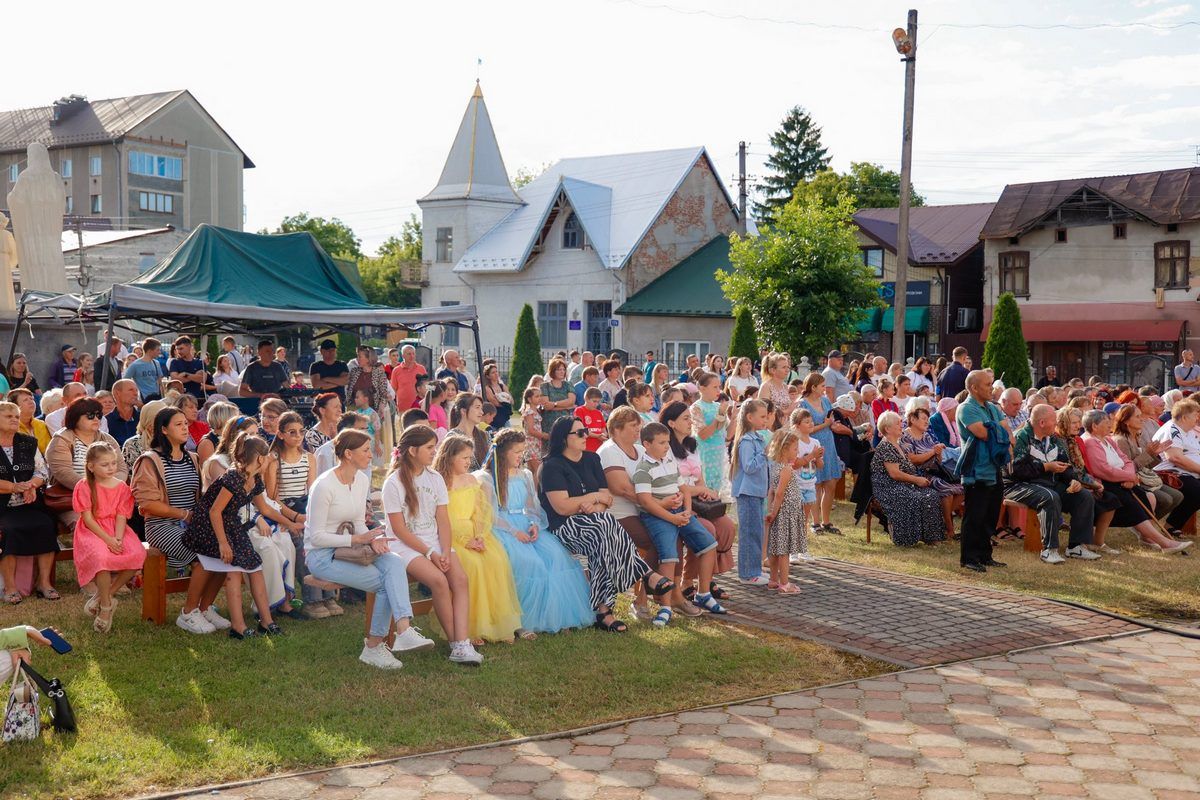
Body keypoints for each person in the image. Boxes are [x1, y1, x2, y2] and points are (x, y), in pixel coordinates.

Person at [307, 429, 436, 669]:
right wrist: (358, 540)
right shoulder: (324, 486)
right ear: (348, 454)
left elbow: (357, 522)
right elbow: (315, 538)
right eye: (365, 450)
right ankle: (375, 647)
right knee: (386, 582)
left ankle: (404, 630)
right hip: (322, 556)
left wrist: (373, 540)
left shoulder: (362, 479)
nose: (371, 454)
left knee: (394, 561)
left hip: (352, 549)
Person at [539, 416, 674, 632]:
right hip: (565, 526)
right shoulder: (552, 466)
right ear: (564, 438)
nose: (586, 435)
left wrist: (595, 505)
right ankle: (643, 575)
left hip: (596, 521)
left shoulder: (592, 459)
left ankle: (604, 612)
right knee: (604, 529)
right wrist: (593, 498)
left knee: (603, 533)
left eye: (586, 431)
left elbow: (606, 499)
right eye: (580, 433)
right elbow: (562, 507)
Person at [182, 433, 302, 638]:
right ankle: (238, 626)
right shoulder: (233, 479)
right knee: (235, 570)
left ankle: (267, 622)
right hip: (208, 528)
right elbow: (214, 512)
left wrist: (291, 524)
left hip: (231, 525)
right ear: (261, 459)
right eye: (269, 458)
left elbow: (265, 509)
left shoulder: (254, 480)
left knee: (255, 567)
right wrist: (223, 544)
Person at [479, 429, 594, 634]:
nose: (520, 456)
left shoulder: (524, 475)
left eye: (522, 451)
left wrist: (533, 523)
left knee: (556, 557)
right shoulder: (488, 478)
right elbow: (490, 513)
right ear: (503, 452)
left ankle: (559, 616)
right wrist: (514, 531)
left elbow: (532, 505)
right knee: (528, 564)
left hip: (525, 524)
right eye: (516, 451)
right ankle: (520, 622)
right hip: (504, 527)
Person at [381, 425, 479, 665]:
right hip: (405, 543)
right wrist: (430, 553)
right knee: (438, 581)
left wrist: (445, 550)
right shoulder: (393, 484)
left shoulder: (434, 478)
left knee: (460, 579)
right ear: (412, 450)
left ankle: (462, 643)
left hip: (435, 541)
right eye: (429, 448)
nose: (434, 452)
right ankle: (456, 643)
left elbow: (443, 520)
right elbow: (399, 530)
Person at [132, 407, 228, 634]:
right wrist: (184, 515)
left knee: (225, 554)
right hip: (161, 526)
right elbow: (146, 504)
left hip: (193, 523)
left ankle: (204, 608)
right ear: (163, 430)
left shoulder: (192, 459)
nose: (185, 427)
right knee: (204, 557)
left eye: (186, 423)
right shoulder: (150, 461)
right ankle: (188, 613)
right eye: (178, 424)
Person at [435, 436, 525, 643]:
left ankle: (497, 624)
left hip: (474, 532)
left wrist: (480, 534)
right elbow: (442, 517)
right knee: (473, 566)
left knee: (496, 562)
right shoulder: (441, 482)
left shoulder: (471, 480)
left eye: (470, 457)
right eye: (463, 457)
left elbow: (481, 511)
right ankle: (471, 627)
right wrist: (465, 540)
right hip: (451, 534)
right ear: (449, 457)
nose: (468, 462)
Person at [633, 422, 725, 620]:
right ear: (646, 444)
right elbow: (646, 502)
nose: (667, 446)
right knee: (668, 557)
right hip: (658, 517)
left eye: (667, 442)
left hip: (680, 512)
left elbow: (683, 490)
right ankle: (665, 606)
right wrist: (672, 517)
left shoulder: (669, 461)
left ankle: (703, 594)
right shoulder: (642, 469)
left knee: (709, 545)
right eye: (661, 443)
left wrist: (687, 511)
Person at [1081, 410, 1189, 553]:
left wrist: (1129, 476)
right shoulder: (1090, 442)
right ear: (1094, 426)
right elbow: (1102, 469)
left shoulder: (1107, 440)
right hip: (1106, 483)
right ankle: (1165, 543)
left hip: (1122, 480)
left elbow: (1126, 461)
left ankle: (1150, 538)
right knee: (1134, 506)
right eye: (1106, 423)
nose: (1110, 425)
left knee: (1143, 497)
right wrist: (1128, 476)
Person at [1006, 404, 1098, 563]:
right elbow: (1015, 470)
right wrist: (1045, 467)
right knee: (1050, 496)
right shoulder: (1021, 437)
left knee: (1083, 496)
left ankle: (1076, 547)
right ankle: (1049, 549)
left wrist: (1073, 480)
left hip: (1048, 482)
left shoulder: (1053, 439)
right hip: (1018, 485)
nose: (1056, 424)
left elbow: (1065, 465)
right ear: (1041, 423)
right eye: (1053, 421)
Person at [71, 441, 143, 631]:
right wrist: (108, 539)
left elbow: (122, 515)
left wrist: (118, 538)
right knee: (102, 558)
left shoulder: (121, 487)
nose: (111, 468)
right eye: (105, 464)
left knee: (136, 556)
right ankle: (105, 607)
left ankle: (107, 594)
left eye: (113, 463)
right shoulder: (84, 486)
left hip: (116, 529)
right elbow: (87, 518)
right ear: (91, 466)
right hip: (93, 530)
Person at [0, 402, 57, 604]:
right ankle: (10, 587)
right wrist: (13, 487)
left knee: (46, 525)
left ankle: (44, 583)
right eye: (8, 416)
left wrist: (32, 485)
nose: (15, 419)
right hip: (2, 508)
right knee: (9, 530)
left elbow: (42, 471)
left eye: (16, 416)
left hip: (29, 503)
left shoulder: (27, 442)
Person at [957, 370, 1010, 573]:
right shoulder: (966, 408)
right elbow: (983, 433)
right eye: (988, 384)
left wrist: (995, 428)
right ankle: (969, 557)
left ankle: (984, 555)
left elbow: (1006, 431)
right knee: (975, 514)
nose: (992, 388)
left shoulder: (992, 408)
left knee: (990, 514)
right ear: (974, 388)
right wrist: (998, 430)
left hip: (994, 467)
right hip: (976, 470)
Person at [45, 397, 126, 525]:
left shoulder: (107, 439)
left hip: (108, 498)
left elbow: (121, 469)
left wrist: (109, 489)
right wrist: (95, 490)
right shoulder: (61, 440)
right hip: (73, 498)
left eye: (99, 415)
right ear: (75, 418)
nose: (96, 419)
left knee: (120, 524)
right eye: (90, 415)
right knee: (86, 526)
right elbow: (63, 473)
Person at [872, 411, 946, 547]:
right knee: (911, 497)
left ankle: (931, 537)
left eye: (901, 422)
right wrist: (916, 480)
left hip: (903, 484)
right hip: (888, 487)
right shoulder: (886, 446)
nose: (902, 425)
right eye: (898, 424)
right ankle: (905, 538)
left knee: (931, 495)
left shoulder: (898, 445)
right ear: (887, 429)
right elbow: (894, 474)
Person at [1112, 403, 1182, 529]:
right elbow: (1128, 469)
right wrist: (1148, 453)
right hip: (1133, 482)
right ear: (1126, 421)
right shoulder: (1120, 440)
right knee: (1166, 499)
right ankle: (1141, 525)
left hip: (1144, 478)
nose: (1142, 419)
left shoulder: (1137, 436)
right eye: (1137, 416)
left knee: (1177, 496)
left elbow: (1146, 466)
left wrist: (1155, 454)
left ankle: (1146, 525)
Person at [900, 406, 964, 541]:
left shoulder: (927, 435)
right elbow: (913, 460)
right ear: (912, 419)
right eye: (923, 419)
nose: (926, 422)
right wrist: (933, 452)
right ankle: (949, 529)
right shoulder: (905, 436)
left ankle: (940, 520)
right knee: (946, 489)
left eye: (927, 419)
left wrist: (938, 452)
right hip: (917, 474)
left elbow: (938, 458)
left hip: (934, 471)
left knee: (963, 489)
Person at [731, 399, 771, 586]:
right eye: (762, 416)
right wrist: (765, 454)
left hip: (757, 492)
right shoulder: (747, 441)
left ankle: (754, 569)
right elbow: (749, 466)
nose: (766, 420)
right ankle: (746, 573)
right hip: (747, 493)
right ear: (749, 417)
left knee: (756, 532)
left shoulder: (759, 438)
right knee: (748, 534)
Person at [798, 373, 844, 534]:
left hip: (829, 443)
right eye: (822, 386)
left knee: (831, 482)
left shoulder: (825, 401)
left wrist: (832, 425)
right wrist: (825, 424)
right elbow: (806, 429)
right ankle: (815, 522)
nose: (825, 389)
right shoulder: (802, 404)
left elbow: (830, 422)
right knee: (815, 484)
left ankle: (826, 521)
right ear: (813, 387)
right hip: (812, 443)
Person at [764, 430, 807, 593]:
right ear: (784, 449)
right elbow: (779, 492)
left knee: (775, 548)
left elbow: (771, 491)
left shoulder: (776, 467)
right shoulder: (786, 469)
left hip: (780, 512)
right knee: (784, 551)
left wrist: (770, 510)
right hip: (786, 513)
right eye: (795, 449)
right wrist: (774, 513)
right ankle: (785, 583)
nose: (797, 452)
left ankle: (773, 580)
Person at [1151, 398, 1200, 536]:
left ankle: (1171, 526)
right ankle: (1170, 526)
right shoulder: (1172, 429)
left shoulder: (1188, 431)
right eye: (1195, 415)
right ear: (1184, 417)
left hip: (1187, 473)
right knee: (1197, 491)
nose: (1197, 418)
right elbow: (1175, 458)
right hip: (1169, 473)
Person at [690, 372, 730, 495]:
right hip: (705, 453)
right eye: (715, 387)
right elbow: (702, 434)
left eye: (719, 386)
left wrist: (734, 419)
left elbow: (725, 432)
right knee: (706, 488)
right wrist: (719, 416)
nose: (719, 390)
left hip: (719, 452)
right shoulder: (696, 407)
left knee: (718, 487)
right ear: (702, 388)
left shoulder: (718, 405)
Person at [447, 392, 489, 468]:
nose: (482, 412)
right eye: (477, 407)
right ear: (463, 411)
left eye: (481, 408)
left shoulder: (484, 435)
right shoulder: (453, 437)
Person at [539, 357, 575, 434]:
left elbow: (571, 402)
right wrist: (566, 406)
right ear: (552, 371)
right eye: (559, 370)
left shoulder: (568, 385)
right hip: (549, 424)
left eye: (563, 369)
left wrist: (554, 404)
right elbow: (546, 406)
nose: (562, 372)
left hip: (565, 422)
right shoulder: (545, 386)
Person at [8, 389, 49, 455]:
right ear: (15, 406)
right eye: (25, 400)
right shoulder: (10, 427)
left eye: (31, 399)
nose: (31, 402)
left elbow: (49, 450)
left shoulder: (41, 424)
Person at [478, 363, 512, 431]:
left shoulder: (503, 386)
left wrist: (501, 399)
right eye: (493, 372)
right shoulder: (487, 388)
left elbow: (511, 400)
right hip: (494, 419)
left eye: (496, 371)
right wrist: (505, 400)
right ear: (488, 376)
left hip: (505, 417)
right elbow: (496, 403)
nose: (496, 374)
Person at [521, 387, 548, 471]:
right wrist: (543, 435)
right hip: (531, 444)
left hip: (537, 443)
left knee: (535, 469)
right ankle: (535, 484)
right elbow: (530, 430)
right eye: (537, 396)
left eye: (540, 396)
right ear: (529, 399)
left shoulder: (536, 411)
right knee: (536, 469)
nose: (539, 398)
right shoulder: (530, 412)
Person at [574, 387, 607, 452]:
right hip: (586, 449)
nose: (596, 404)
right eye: (594, 401)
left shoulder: (599, 413)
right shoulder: (579, 410)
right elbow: (581, 430)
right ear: (586, 399)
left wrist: (603, 435)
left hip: (599, 448)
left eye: (598, 402)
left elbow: (603, 429)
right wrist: (597, 436)